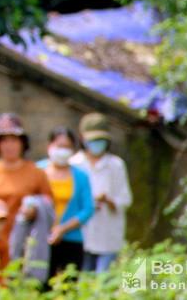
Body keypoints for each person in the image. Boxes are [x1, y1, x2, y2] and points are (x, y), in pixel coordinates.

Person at [0, 113, 52, 243]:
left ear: (22, 143)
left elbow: (48, 204)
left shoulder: (36, 173)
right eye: (4, 141)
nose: (9, 145)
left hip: (24, 240)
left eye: (14, 140)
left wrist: (34, 211)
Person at [70, 113, 132, 273]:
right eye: (93, 140)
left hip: (108, 234)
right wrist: (89, 204)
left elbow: (125, 199)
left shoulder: (116, 165)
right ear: (83, 139)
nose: (97, 144)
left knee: (103, 281)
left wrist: (109, 201)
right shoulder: (74, 164)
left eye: (100, 139)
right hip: (81, 234)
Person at [37, 127, 94, 282]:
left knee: (68, 286)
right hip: (42, 238)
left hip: (72, 239)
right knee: (41, 284)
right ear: (49, 146)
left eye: (67, 147)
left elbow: (88, 208)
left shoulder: (81, 176)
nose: (62, 151)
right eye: (59, 146)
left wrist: (63, 229)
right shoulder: (38, 171)